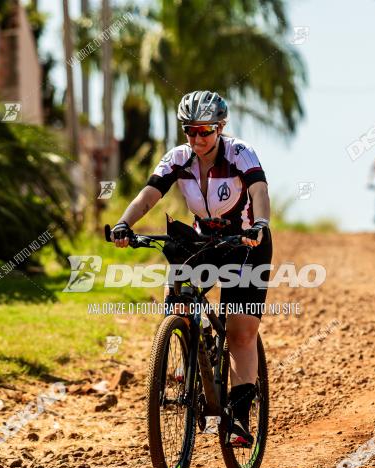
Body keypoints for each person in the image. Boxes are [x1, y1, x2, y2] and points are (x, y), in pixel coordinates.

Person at [109, 90, 272, 447]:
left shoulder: (240, 153)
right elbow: (149, 194)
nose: (197, 139)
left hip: (247, 243)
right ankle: (185, 352)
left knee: (239, 332)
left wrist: (260, 223)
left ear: (220, 128)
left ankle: (240, 421)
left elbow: (259, 190)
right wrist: (124, 223)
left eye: (204, 131)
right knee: (177, 292)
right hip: (205, 240)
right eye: (190, 131)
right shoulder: (177, 159)